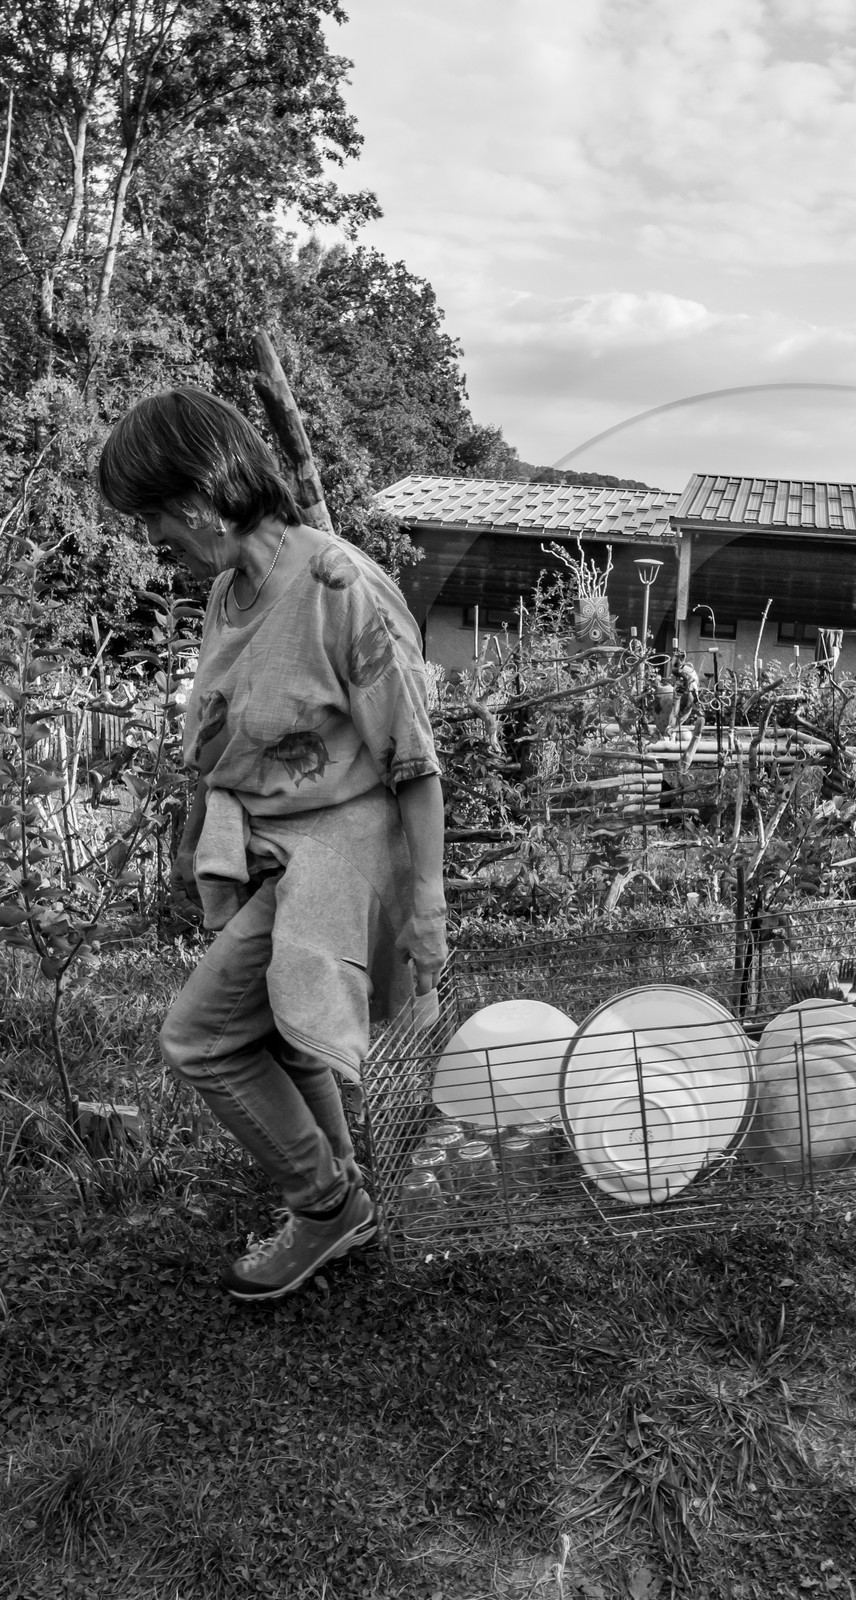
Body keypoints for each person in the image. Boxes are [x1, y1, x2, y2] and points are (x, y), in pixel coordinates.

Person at [96, 388, 447, 1302]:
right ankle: (339, 1186)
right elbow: (228, 732)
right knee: (283, 1036)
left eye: (157, 515)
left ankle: (325, 1205)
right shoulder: (228, 590)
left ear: (204, 493)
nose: (154, 538)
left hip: (345, 850)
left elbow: (413, 761)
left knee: (203, 1039)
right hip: (272, 846)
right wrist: (202, 832)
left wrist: (427, 908)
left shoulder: (341, 586)